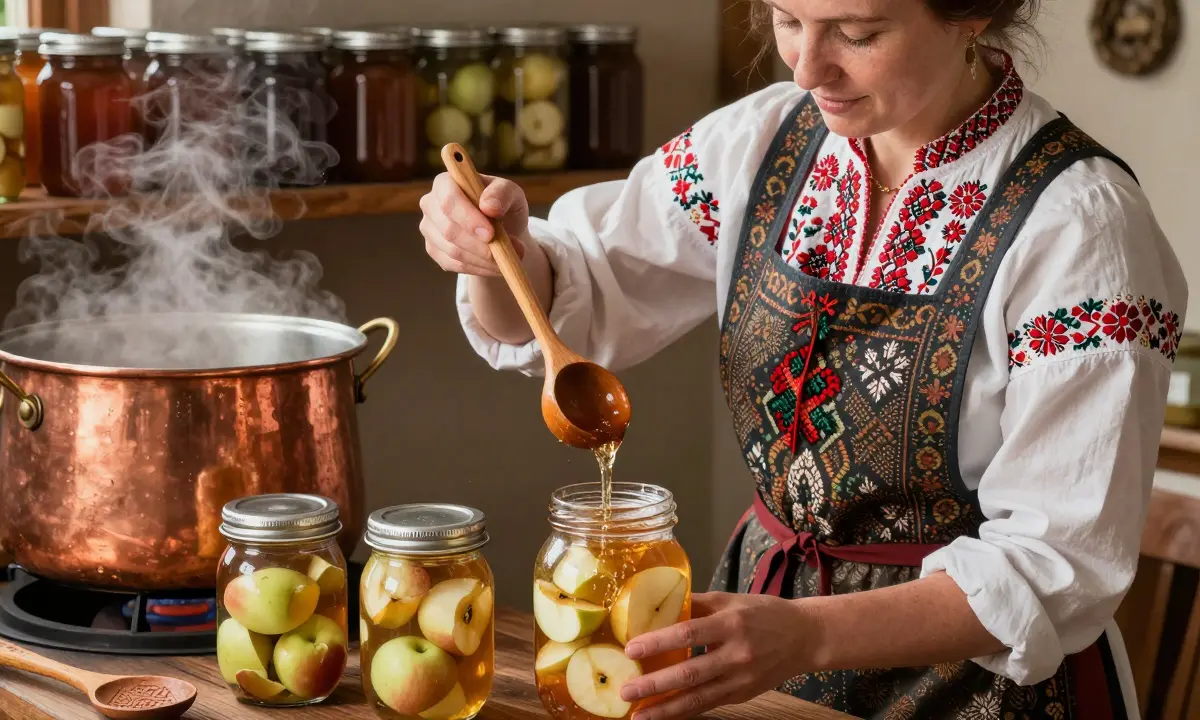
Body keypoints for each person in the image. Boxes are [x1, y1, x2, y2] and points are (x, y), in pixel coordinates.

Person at [420, 0, 1186, 717]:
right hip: (761, 642)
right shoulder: (762, 141)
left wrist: (806, 634)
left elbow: (1058, 564)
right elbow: (584, 283)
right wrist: (499, 257)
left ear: (972, 14)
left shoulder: (1083, 227)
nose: (806, 68)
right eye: (787, 18)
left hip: (981, 685)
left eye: (855, 33)